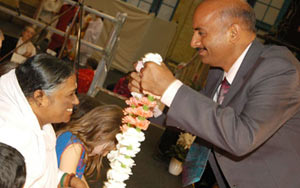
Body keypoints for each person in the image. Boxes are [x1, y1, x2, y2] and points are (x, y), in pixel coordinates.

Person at [129, 0, 300, 188]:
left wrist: (169, 87)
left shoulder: (280, 69)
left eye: (201, 32)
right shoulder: (217, 71)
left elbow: (241, 137)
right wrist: (154, 100)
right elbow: (201, 120)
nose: (193, 42)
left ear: (233, 33)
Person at [0, 54, 87, 188]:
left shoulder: (41, 122)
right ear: (40, 97)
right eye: (70, 94)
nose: (76, 101)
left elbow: (41, 172)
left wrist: (66, 180)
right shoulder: (12, 135)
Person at [56, 104, 123, 187]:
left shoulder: (78, 145)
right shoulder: (74, 146)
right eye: (106, 149)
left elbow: (79, 176)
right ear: (101, 134)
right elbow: (67, 183)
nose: (105, 154)